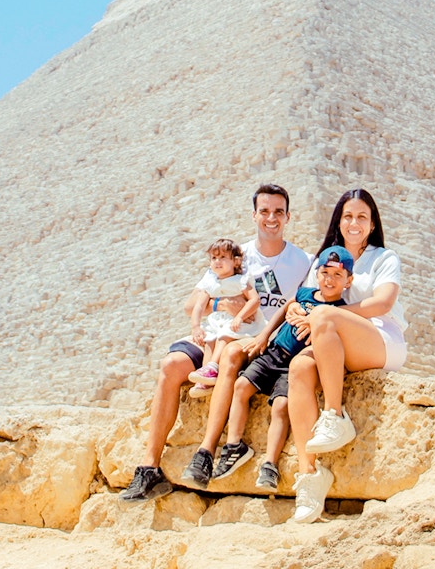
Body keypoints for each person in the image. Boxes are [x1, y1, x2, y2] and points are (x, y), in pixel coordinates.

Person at [120, 185, 311, 503]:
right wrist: (225, 305)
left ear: (288, 216)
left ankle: (206, 452)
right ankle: (149, 468)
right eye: (264, 211)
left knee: (228, 355)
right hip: (220, 329)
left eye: (278, 211)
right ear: (253, 215)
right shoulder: (236, 255)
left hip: (260, 340)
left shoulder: (304, 261)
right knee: (171, 365)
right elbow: (191, 305)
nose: (271, 218)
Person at [180, 246, 353, 492]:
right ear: (317, 273)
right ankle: (233, 446)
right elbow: (283, 310)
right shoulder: (304, 293)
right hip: (274, 351)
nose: (329, 280)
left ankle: (270, 464)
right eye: (325, 273)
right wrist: (264, 335)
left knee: (281, 405)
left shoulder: (340, 312)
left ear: (348, 281)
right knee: (241, 385)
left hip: (293, 365)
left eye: (338, 275)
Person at [285, 188, 408, 523]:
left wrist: (325, 316)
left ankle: (335, 415)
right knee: (299, 367)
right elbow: (307, 297)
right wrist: (296, 309)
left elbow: (382, 303)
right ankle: (310, 476)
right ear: (339, 221)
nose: (354, 223)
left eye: (362, 217)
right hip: (335, 344)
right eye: (348, 216)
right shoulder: (325, 258)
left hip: (381, 339)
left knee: (325, 316)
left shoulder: (384, 258)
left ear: (373, 224)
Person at [184, 238, 263, 398]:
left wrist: (240, 316)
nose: (217, 261)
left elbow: (254, 300)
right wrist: (196, 326)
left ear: (236, 261)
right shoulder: (209, 283)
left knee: (223, 336)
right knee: (209, 340)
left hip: (235, 322)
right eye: (214, 258)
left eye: (222, 257)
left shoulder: (240, 280)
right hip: (217, 322)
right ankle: (205, 377)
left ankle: (213, 366)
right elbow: (198, 306)